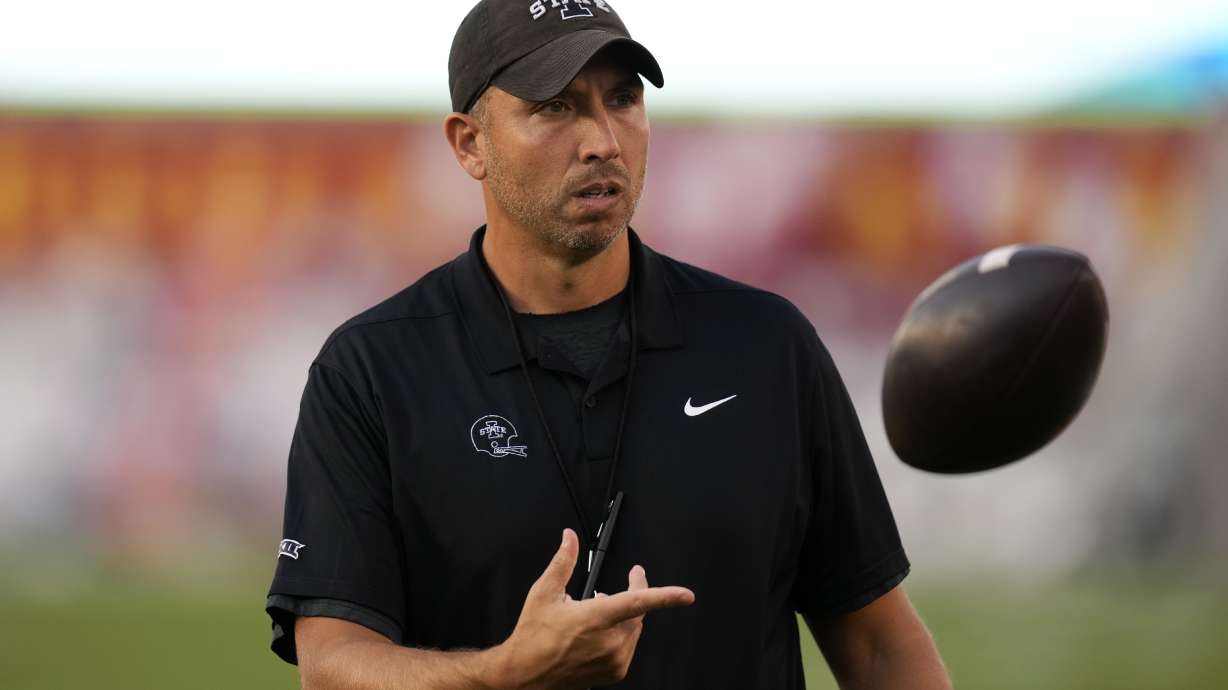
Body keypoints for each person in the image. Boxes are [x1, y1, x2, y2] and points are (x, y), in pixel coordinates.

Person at [266, 1, 952, 688]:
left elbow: (878, 645)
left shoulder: (768, 346)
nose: (602, 139)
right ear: (470, 143)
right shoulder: (372, 370)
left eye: (622, 99)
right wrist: (507, 673)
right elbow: (334, 668)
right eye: (555, 107)